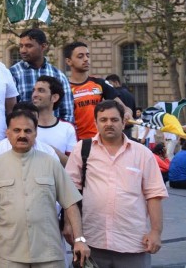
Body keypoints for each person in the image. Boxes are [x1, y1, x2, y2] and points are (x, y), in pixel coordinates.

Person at [0, 107, 89, 268]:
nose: (22, 135)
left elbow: (70, 202)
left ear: (35, 133)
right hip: (10, 254)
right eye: (17, 130)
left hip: (48, 253)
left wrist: (79, 239)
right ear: (8, 133)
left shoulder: (50, 161)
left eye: (27, 131)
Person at [66, 99, 168, 267]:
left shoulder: (142, 154)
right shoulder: (82, 149)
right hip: (92, 242)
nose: (109, 124)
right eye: (103, 120)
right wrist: (69, 226)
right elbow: (69, 191)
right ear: (96, 123)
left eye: (114, 120)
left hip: (133, 244)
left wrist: (156, 232)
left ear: (124, 122)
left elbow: (154, 194)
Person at [9, 28, 74, 123]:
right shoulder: (12, 74)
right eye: (21, 46)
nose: (23, 50)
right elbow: (9, 111)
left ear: (43, 47)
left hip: (53, 134)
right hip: (24, 134)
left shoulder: (58, 75)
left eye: (28, 46)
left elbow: (67, 112)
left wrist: (60, 132)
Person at [63, 42, 124, 140]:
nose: (86, 59)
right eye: (80, 56)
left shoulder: (100, 83)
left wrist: (127, 113)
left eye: (87, 55)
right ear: (69, 61)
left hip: (100, 140)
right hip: (75, 142)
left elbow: (122, 108)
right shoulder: (64, 88)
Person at [31, 76, 77, 166]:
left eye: (41, 90)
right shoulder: (25, 127)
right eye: (34, 90)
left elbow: (74, 165)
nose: (34, 95)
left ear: (54, 97)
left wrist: (50, 151)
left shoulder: (67, 128)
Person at [105, 74, 137, 138]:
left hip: (118, 128)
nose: (108, 87)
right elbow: (134, 113)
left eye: (109, 84)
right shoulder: (130, 94)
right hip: (128, 127)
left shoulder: (113, 95)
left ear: (116, 82)